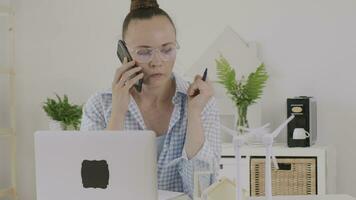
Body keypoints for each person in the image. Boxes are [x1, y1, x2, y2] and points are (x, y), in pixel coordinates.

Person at [80, 0, 221, 196]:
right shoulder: (99, 106)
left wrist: (194, 114)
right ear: (124, 53)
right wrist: (118, 112)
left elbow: (203, 191)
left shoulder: (200, 103)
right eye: (144, 52)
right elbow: (94, 186)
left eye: (167, 49)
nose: (157, 62)